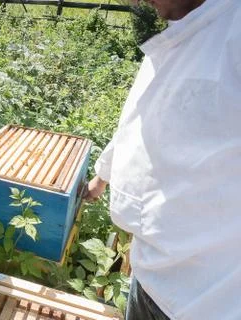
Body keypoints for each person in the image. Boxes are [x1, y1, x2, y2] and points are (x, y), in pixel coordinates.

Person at [84, 0, 240, 319]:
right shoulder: (185, 29)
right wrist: (103, 175)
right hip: (150, 273)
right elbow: (140, 117)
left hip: (209, 300)